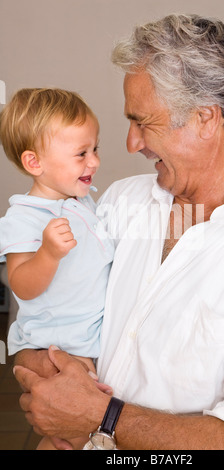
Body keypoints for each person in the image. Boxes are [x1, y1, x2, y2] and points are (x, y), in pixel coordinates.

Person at [13, 14, 224, 450]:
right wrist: (45, 373)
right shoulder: (120, 202)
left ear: (205, 118)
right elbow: (51, 307)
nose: (131, 143)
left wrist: (99, 417)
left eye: (142, 121)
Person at [0, 88, 114, 449]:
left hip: (83, 342)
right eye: (81, 153)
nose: (93, 162)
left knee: (76, 438)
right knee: (76, 434)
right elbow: (22, 284)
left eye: (94, 149)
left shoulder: (84, 203)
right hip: (56, 345)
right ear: (35, 163)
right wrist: (47, 254)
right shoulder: (24, 216)